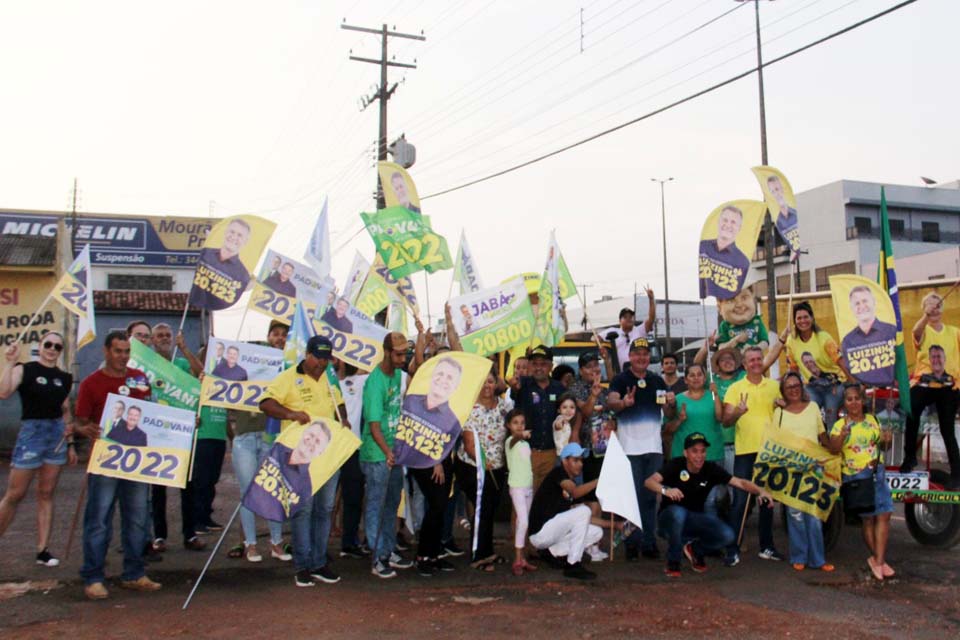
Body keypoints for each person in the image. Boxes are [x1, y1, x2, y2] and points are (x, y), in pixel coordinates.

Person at [74, 331, 158, 600]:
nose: (123, 357)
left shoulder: (138, 378)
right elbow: (79, 422)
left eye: (126, 351)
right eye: (118, 351)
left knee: (137, 518)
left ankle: (134, 573)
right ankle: (93, 576)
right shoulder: (90, 383)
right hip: (105, 461)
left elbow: (152, 412)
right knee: (99, 519)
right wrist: (86, 430)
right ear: (106, 352)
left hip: (136, 461)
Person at [260, 335, 349, 587]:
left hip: (328, 454)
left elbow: (339, 404)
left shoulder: (330, 378)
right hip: (300, 456)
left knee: (325, 509)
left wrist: (344, 418)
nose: (322, 363)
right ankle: (302, 564)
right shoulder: (289, 378)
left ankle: (319, 562)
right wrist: (290, 413)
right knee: (303, 510)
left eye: (326, 358)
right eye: (318, 357)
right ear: (307, 355)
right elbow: (265, 403)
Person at [645, 433, 774, 577]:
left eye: (702, 451)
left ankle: (695, 550)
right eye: (694, 451)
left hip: (694, 520)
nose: (699, 456)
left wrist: (761, 491)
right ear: (685, 453)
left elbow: (740, 482)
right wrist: (666, 490)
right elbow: (649, 481)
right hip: (668, 521)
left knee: (728, 535)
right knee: (678, 513)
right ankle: (673, 561)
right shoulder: (675, 464)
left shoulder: (710, 469)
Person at [0, 334, 75, 568]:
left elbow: (65, 410)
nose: (52, 349)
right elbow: (4, 392)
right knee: (15, 494)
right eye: (48, 345)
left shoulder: (65, 377)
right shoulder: (26, 369)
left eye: (57, 346)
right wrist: (10, 362)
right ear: (40, 347)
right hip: (32, 433)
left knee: (46, 493)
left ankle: (42, 550)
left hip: (56, 436)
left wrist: (70, 442)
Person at [227, 320, 291, 563]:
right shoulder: (244, 366)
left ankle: (276, 543)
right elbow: (220, 386)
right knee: (248, 492)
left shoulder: (287, 368)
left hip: (271, 435)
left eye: (284, 335)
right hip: (244, 436)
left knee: (273, 489)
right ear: (268, 336)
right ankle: (251, 544)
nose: (280, 338)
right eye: (275, 334)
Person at [607, 337, 676, 560]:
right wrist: (624, 403)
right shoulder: (620, 379)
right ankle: (631, 543)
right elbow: (611, 402)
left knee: (649, 498)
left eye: (645, 354)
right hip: (629, 449)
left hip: (653, 448)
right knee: (631, 497)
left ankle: (648, 541)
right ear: (630, 356)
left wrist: (671, 403)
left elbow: (669, 413)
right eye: (637, 353)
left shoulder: (657, 381)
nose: (641, 357)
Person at [359, 332, 414, 579]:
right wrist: (388, 452)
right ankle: (377, 557)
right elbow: (373, 425)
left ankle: (388, 549)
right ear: (387, 352)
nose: (403, 358)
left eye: (405, 353)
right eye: (399, 354)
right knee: (376, 506)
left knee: (391, 504)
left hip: (393, 452)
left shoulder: (397, 377)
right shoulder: (376, 381)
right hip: (377, 454)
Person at [722, 345, 783, 565]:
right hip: (745, 451)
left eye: (759, 359)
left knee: (767, 501)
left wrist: (782, 405)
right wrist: (738, 411)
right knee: (740, 501)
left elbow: (788, 409)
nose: (756, 363)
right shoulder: (735, 388)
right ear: (745, 365)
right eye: (752, 360)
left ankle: (766, 546)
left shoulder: (775, 386)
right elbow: (726, 420)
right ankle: (732, 548)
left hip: (769, 452)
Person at [828, 384, 895, 581]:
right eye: (849, 399)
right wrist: (842, 435)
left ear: (863, 400)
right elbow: (833, 449)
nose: (854, 402)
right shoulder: (840, 425)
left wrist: (887, 440)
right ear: (845, 403)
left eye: (857, 398)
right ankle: (879, 561)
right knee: (868, 518)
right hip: (856, 476)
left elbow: (882, 445)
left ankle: (879, 561)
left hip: (877, 472)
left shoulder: (873, 420)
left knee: (884, 514)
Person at [405, 357, 464, 577]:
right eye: (440, 374)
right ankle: (422, 557)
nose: (443, 380)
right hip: (424, 462)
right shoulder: (416, 401)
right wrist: (436, 461)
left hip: (445, 461)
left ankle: (434, 555)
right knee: (436, 505)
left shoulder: (450, 410)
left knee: (440, 507)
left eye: (450, 377)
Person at [774, 372, 834, 572]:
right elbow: (776, 443)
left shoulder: (814, 408)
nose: (793, 389)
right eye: (789, 386)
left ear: (802, 387)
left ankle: (818, 559)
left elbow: (822, 435)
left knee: (815, 517)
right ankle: (799, 556)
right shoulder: (779, 414)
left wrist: (835, 448)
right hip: (791, 470)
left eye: (796, 385)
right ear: (783, 390)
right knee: (795, 516)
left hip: (813, 468)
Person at [456, 368, 512, 571]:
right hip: (474, 467)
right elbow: (469, 445)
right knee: (482, 510)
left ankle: (488, 552)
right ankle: (478, 555)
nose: (487, 386)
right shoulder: (470, 408)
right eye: (482, 382)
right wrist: (483, 463)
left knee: (491, 510)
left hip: (497, 467)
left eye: (490, 381)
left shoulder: (504, 406)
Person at [902, 292, 960, 487]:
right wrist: (926, 315)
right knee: (911, 409)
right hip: (924, 383)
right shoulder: (923, 328)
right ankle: (910, 457)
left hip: (948, 386)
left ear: (943, 309)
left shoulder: (954, 332)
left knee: (947, 429)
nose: (934, 309)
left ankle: (957, 473)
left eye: (937, 305)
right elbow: (917, 333)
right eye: (929, 306)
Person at [528, 443, 602, 580]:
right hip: (540, 532)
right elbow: (575, 493)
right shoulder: (558, 473)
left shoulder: (570, 481)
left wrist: (615, 526)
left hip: (551, 533)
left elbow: (583, 518)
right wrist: (599, 481)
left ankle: (551, 552)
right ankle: (573, 564)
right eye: (575, 460)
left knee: (597, 532)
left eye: (581, 460)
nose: (580, 464)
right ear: (564, 461)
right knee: (584, 510)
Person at [508, 345, 567, 491]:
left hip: (551, 454)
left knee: (544, 497)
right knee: (522, 499)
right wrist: (513, 388)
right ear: (529, 366)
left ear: (551, 366)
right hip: (526, 452)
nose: (539, 368)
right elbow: (509, 388)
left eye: (543, 364)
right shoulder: (522, 384)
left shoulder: (559, 388)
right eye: (534, 364)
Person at [784, 301, 849, 426]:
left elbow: (841, 362)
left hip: (834, 386)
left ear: (812, 318)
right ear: (794, 321)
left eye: (805, 317)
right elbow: (793, 370)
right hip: (811, 387)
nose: (802, 321)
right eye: (799, 318)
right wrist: (791, 389)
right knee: (809, 414)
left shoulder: (824, 338)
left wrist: (854, 383)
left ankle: (832, 441)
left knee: (830, 414)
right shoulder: (791, 341)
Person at [338, 362, 370, 559]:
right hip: (333, 448)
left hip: (356, 448)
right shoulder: (328, 382)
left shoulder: (360, 381)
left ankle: (350, 542)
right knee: (325, 503)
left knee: (354, 498)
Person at [188, 217, 253, 310]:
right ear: (225, 232)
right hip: (194, 305)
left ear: (245, 241)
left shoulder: (243, 275)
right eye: (232, 232)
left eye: (239, 235)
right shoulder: (206, 253)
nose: (234, 237)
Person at [664, 364, 723, 463]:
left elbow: (719, 418)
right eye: (692, 375)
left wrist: (716, 395)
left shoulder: (713, 396)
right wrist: (679, 420)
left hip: (712, 454)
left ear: (705, 379)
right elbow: (667, 431)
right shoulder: (677, 400)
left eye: (699, 375)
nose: (696, 378)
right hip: (683, 456)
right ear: (686, 380)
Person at [840, 285, 897, 387]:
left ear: (874, 302)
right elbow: (850, 372)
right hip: (863, 395)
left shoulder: (891, 331)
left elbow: (900, 362)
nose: (861, 306)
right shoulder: (848, 341)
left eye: (865, 301)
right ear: (851, 308)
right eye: (857, 303)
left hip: (891, 392)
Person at [570, 351, 611, 482]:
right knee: (591, 486)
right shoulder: (575, 388)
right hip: (587, 447)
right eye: (589, 366)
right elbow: (586, 413)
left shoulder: (604, 389)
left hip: (606, 445)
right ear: (581, 371)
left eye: (596, 365)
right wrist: (593, 396)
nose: (594, 369)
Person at [505, 408, 537, 576]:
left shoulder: (525, 443)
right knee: (523, 521)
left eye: (522, 423)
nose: (519, 426)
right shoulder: (511, 441)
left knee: (523, 523)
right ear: (508, 425)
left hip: (528, 486)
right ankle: (517, 558)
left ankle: (522, 558)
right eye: (515, 423)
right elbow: (515, 439)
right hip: (517, 486)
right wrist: (521, 434)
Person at [698, 205, 750, 300]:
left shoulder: (743, 262)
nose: (728, 225)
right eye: (725, 220)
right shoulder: (703, 247)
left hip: (729, 310)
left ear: (739, 228)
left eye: (733, 222)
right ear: (718, 222)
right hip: (707, 305)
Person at [610, 290, 655, 371]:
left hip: (638, 373)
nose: (628, 319)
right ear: (619, 321)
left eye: (630, 317)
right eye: (625, 317)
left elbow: (651, 319)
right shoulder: (613, 332)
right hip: (619, 374)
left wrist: (651, 300)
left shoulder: (639, 330)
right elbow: (595, 338)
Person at [767, 174, 800, 256]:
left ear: (782, 189)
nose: (776, 194)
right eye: (772, 192)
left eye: (777, 189)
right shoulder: (778, 222)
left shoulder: (796, 215)